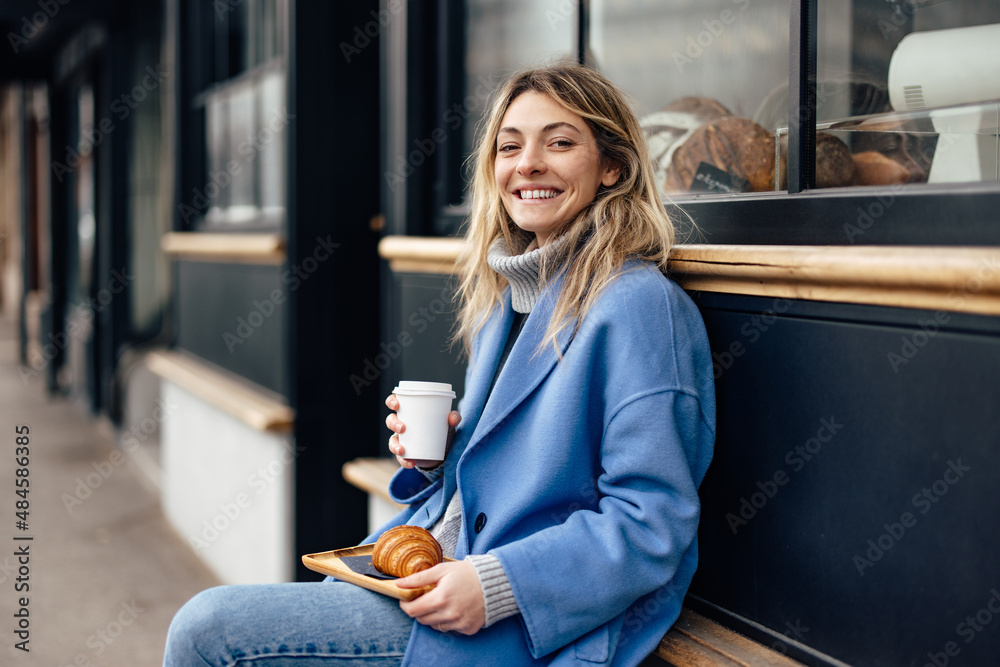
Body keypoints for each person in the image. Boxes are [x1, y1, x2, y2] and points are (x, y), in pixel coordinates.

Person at [163, 61, 715, 667]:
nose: (527, 164)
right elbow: (507, 474)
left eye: (559, 142)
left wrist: (500, 586)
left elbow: (651, 523)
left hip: (523, 620)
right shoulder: (506, 299)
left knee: (206, 629)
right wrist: (436, 458)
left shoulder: (639, 306)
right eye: (510, 146)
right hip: (431, 570)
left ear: (612, 166)